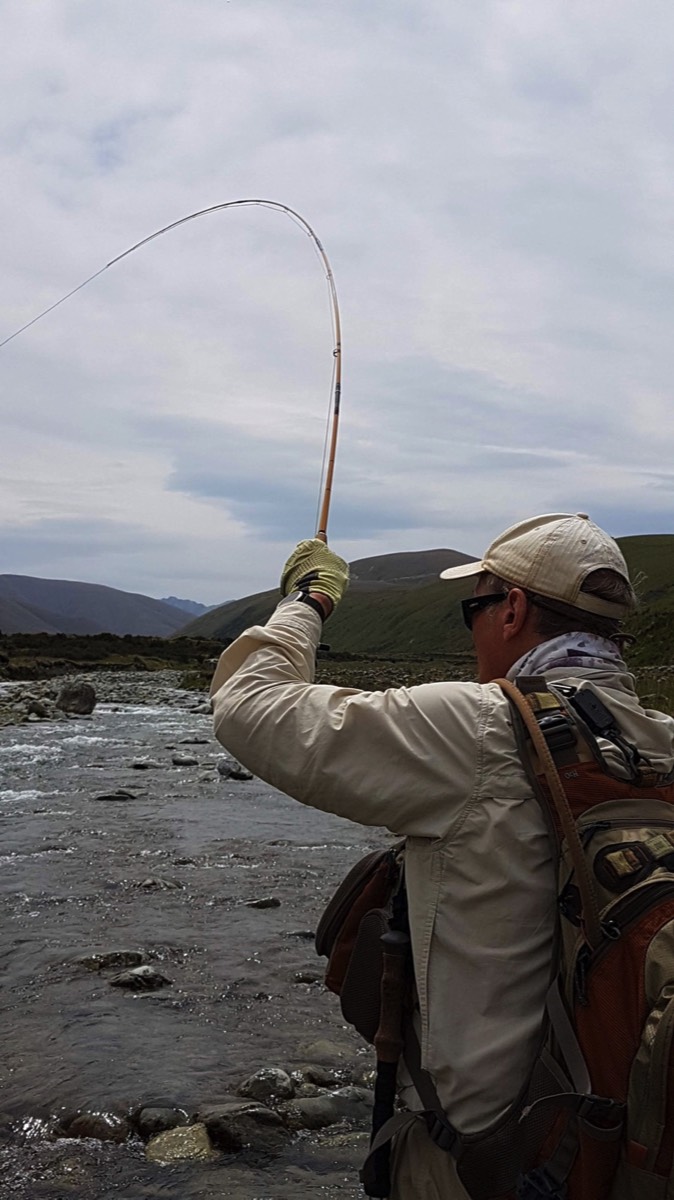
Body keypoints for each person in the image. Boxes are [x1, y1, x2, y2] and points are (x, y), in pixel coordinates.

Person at [210, 512, 674, 1199]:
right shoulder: (662, 741)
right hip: (614, 1151)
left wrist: (307, 601)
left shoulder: (481, 727)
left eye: (474, 608)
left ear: (511, 609)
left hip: (482, 1164)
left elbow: (247, 705)